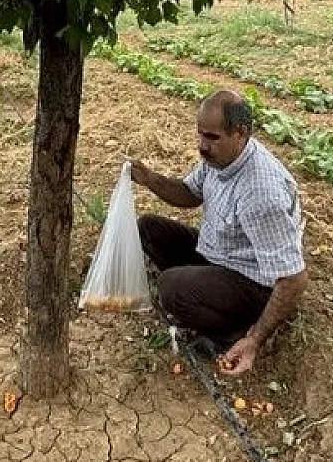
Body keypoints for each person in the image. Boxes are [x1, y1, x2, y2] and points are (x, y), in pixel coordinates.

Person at [130, 89, 307, 375]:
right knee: (148, 229)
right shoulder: (220, 158)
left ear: (240, 133)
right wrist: (150, 179)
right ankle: (203, 293)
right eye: (200, 135)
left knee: (171, 288)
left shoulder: (261, 193)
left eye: (212, 137)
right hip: (220, 254)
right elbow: (189, 194)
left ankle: (234, 330)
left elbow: (293, 279)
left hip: (253, 284)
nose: (202, 146)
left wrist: (255, 339)